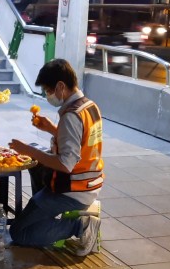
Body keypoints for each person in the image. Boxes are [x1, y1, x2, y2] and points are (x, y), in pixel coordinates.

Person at [8, 59, 103, 256]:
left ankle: (80, 226)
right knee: (37, 160)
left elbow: (66, 164)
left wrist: (27, 150)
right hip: (90, 182)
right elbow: (80, 143)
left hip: (72, 190)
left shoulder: (71, 116)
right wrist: (52, 129)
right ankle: (43, 211)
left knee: (19, 232)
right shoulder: (89, 106)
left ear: (61, 86)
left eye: (47, 90)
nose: (47, 95)